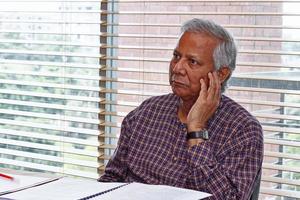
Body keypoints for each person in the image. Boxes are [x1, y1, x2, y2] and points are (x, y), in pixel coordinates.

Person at [99, 18, 264, 200]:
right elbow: (111, 180)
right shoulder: (145, 113)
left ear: (221, 74)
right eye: (176, 56)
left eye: (192, 62)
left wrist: (196, 130)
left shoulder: (243, 130)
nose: (177, 68)